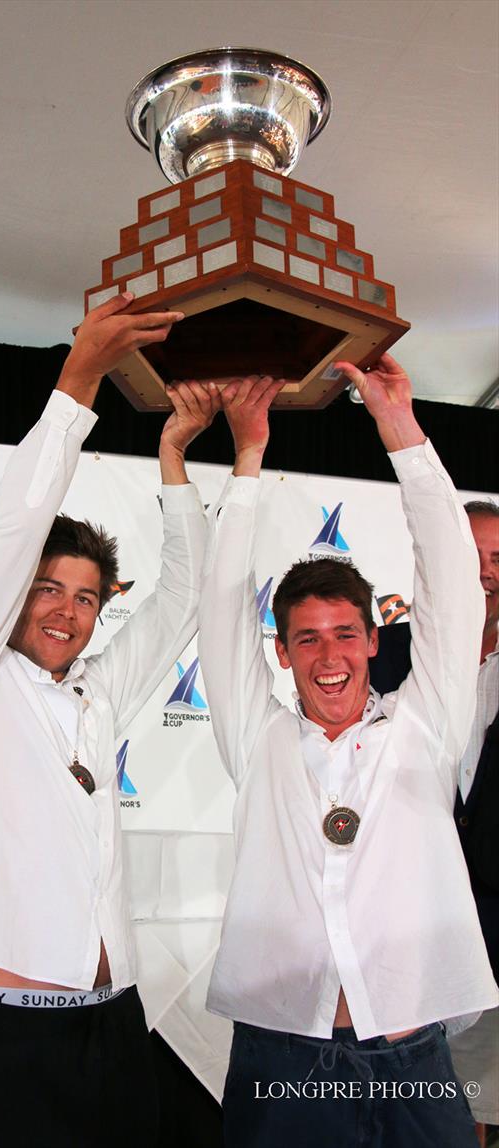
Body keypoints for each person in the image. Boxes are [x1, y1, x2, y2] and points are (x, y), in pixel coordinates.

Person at [0, 292, 218, 1147]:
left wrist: (172, 459)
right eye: (48, 589)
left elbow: (183, 600)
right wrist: (77, 382)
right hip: (9, 1035)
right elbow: (13, 534)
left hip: (115, 1028)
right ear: (18, 596)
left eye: (85, 598)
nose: (66, 612)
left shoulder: (94, 694)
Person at [198, 358, 498, 1148]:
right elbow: (221, 604)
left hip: (413, 1055)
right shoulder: (258, 739)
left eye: (344, 634)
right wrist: (248, 458)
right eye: (307, 639)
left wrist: (401, 430)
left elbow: (456, 587)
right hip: (282, 1060)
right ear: (284, 653)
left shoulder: (422, 725)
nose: (329, 655)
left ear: (372, 640)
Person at [370, 500, 499, 1146]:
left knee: (479, 1101)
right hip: (405, 926)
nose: (483, 573)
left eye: (497, 559)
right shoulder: (378, 650)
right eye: (469, 556)